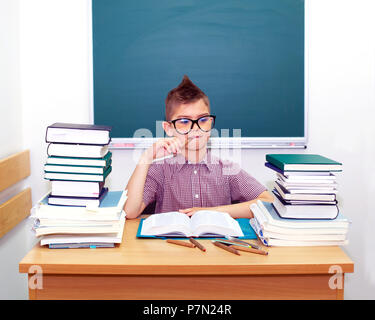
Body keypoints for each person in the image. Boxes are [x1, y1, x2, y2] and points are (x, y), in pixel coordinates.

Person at [124, 75, 273, 219]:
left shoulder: (226, 169)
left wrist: (210, 212)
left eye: (203, 119)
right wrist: (146, 158)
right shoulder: (159, 170)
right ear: (169, 129)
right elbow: (129, 212)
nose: (195, 128)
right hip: (170, 244)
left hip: (215, 244)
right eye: (184, 121)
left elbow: (268, 201)